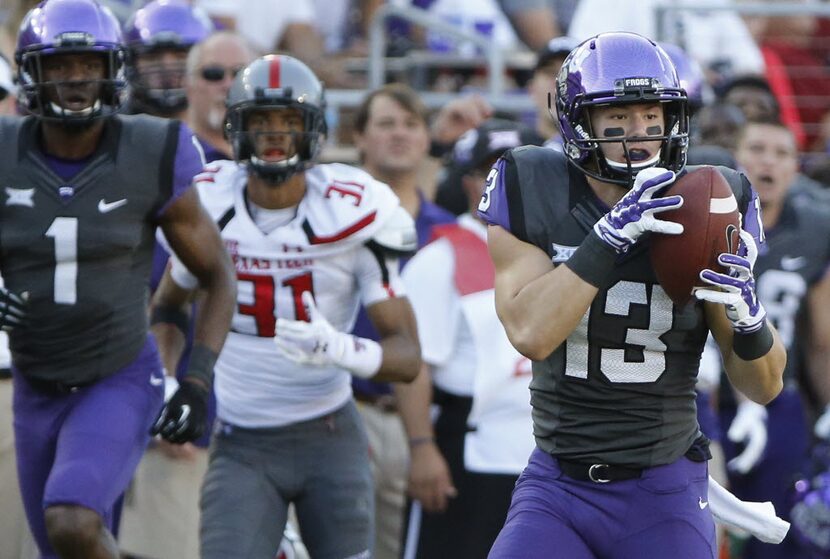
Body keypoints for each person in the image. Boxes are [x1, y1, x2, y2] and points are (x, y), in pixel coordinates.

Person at [479, 32, 786, 558]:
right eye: (617, 119)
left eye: (652, 117)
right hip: (559, 484)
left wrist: (750, 320)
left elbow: (763, 387)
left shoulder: (708, 199)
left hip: (661, 489)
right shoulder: (532, 180)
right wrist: (607, 239)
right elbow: (530, 334)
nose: (639, 136)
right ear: (580, 123)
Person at [151, 54, 421, 559]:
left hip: (330, 434)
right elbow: (168, 307)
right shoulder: (210, 202)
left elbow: (406, 356)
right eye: (261, 121)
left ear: (313, 129)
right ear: (237, 129)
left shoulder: (351, 210)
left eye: (289, 121)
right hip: (240, 440)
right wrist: (169, 383)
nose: (275, 134)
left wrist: (341, 349)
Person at [1, 1, 237, 558]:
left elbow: (216, 273)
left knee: (73, 522)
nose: (76, 79)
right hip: (36, 386)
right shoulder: (4, 151)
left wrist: (198, 379)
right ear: (31, 73)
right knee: (62, 547)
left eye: (88, 64)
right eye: (59, 66)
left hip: (118, 379)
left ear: (113, 67)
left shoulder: (151, 149)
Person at [400, 118, 542, 559]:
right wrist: (422, 448)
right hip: (468, 449)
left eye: (516, 169)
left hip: (546, 452)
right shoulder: (440, 256)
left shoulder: (561, 250)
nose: (504, 182)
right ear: (467, 181)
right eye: (489, 170)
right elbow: (413, 365)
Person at [349, 83, 461, 559]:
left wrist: (422, 443)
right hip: (346, 408)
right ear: (359, 136)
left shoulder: (449, 230)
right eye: (386, 123)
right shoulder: (331, 216)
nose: (399, 135)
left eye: (411, 125)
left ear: (425, 139)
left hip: (420, 422)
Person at [718, 119, 830, 559]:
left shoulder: (814, 228)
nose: (768, 161)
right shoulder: (703, 216)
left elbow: (820, 338)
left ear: (795, 168)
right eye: (757, 149)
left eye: (781, 153)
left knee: (776, 532)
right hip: (704, 394)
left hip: (776, 393)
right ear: (736, 157)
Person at [122, 0, 214, 118]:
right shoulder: (109, 128)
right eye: (152, 57)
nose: (166, 67)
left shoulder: (224, 122)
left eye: (181, 56)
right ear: (131, 61)